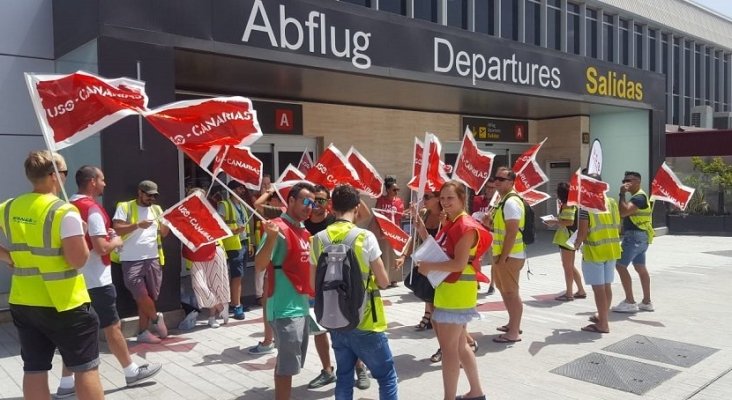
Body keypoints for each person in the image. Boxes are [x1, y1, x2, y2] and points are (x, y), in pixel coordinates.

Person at [0, 151, 103, 400]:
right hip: (65, 303)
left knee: (34, 368)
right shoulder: (64, 212)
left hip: (24, 301)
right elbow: (78, 260)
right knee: (85, 368)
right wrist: (83, 234)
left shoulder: (9, 207)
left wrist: (8, 257)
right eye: (64, 172)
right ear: (54, 176)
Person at [55, 166, 163, 398]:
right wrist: (114, 241)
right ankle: (131, 371)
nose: (105, 183)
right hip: (97, 280)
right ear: (93, 181)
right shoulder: (92, 209)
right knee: (112, 327)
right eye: (102, 179)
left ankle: (65, 384)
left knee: (77, 334)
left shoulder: (65, 207)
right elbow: (101, 246)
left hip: (74, 279)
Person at [310, 184, 398, 400]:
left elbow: (314, 285)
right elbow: (385, 282)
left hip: (335, 319)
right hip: (367, 320)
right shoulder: (364, 237)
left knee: (344, 376)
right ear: (357, 207)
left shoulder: (317, 240)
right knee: (386, 376)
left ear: (332, 207)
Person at [416, 181, 489, 400]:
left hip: (456, 292)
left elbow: (458, 264)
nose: (446, 202)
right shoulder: (452, 223)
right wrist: (419, 224)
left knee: (449, 351)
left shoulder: (465, 225)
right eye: (443, 198)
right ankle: (476, 392)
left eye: (451, 198)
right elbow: (437, 249)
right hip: (450, 290)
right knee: (459, 346)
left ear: (462, 199)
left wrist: (429, 267)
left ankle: (449, 397)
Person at [305, 185, 371, 391]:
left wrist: (352, 198)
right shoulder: (304, 223)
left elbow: (365, 214)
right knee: (319, 331)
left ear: (330, 205)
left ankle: (359, 368)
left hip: (344, 287)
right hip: (317, 286)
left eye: (322, 200)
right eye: (312, 201)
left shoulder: (337, 221)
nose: (317, 205)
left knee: (350, 327)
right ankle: (327, 370)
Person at [254, 182, 317, 400]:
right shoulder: (277, 228)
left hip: (301, 307)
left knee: (288, 364)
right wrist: (270, 238)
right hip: (283, 309)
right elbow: (260, 264)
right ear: (290, 201)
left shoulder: (303, 231)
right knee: (287, 366)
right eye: (305, 201)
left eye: (313, 203)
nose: (310, 206)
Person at [112, 180, 170, 344]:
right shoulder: (125, 207)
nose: (151, 198)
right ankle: (156, 318)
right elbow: (116, 228)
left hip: (153, 258)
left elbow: (164, 233)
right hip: (131, 259)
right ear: (140, 192)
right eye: (148, 195)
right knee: (141, 295)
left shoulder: (157, 209)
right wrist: (137, 225)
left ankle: (143, 332)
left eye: (154, 195)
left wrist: (167, 222)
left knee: (147, 298)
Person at [573, 173, 622, 334]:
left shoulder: (585, 205)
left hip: (595, 250)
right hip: (612, 248)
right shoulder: (612, 201)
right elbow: (617, 224)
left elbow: (582, 233)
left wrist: (575, 244)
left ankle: (603, 324)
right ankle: (603, 317)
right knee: (606, 286)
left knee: (598, 289)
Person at [489, 167, 526, 343]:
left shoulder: (511, 202)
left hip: (510, 256)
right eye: (495, 178)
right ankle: (513, 324)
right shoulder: (503, 202)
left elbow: (511, 233)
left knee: (511, 293)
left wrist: (503, 258)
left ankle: (514, 333)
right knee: (505, 291)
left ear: (511, 183)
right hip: (503, 255)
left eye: (501, 179)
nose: (496, 181)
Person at [186, 188, 231, 328]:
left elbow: (219, 230)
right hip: (196, 253)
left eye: (201, 196)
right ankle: (220, 306)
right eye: (195, 196)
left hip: (214, 249)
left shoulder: (210, 212)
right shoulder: (185, 213)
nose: (199, 199)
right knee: (199, 284)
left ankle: (212, 317)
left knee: (215, 283)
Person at [614, 171, 655, 313]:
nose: (625, 183)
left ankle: (630, 302)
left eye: (629, 180)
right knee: (640, 268)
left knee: (620, 265)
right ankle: (647, 302)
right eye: (624, 180)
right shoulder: (641, 196)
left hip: (634, 237)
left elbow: (623, 212)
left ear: (638, 181)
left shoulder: (639, 197)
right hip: (642, 236)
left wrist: (621, 194)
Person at [546, 182, 587, 301]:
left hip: (567, 239)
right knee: (570, 266)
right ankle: (580, 290)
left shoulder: (568, 205)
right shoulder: (570, 204)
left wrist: (554, 222)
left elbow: (569, 221)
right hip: (569, 238)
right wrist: (557, 219)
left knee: (567, 267)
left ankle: (569, 293)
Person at [217, 180, 251, 321]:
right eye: (238, 189)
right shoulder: (224, 205)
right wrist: (235, 230)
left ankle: (236, 302)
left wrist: (250, 244)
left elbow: (246, 226)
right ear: (230, 190)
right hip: (233, 244)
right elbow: (218, 225)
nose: (241, 191)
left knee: (240, 275)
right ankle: (236, 305)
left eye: (242, 189)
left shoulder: (242, 205)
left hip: (243, 243)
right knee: (237, 275)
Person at [375, 177, 405, 288]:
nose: (396, 192)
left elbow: (400, 216)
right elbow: (377, 215)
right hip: (384, 231)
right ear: (387, 189)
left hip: (395, 231)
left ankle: (394, 279)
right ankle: (385, 279)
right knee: (385, 255)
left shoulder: (399, 201)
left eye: (397, 190)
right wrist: (380, 230)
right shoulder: (381, 200)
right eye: (394, 190)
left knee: (395, 255)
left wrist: (410, 210)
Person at [474, 178, 498, 296]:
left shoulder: (498, 203)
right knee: (476, 259)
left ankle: (492, 285)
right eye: (487, 187)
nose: (489, 190)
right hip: (479, 233)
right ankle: (476, 282)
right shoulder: (478, 200)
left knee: (494, 261)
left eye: (492, 188)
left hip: (492, 234)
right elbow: (473, 215)